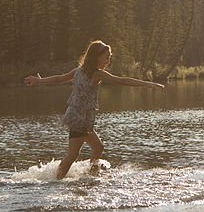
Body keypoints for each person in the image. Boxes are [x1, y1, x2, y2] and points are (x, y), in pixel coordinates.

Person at [25, 40, 164, 179]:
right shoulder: (95, 74)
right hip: (78, 118)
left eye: (109, 57)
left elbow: (59, 79)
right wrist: (148, 84)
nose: (108, 60)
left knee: (98, 147)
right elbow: (122, 81)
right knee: (73, 154)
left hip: (82, 118)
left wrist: (40, 81)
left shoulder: (81, 71)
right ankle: (56, 180)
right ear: (96, 57)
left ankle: (92, 174)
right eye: (106, 57)